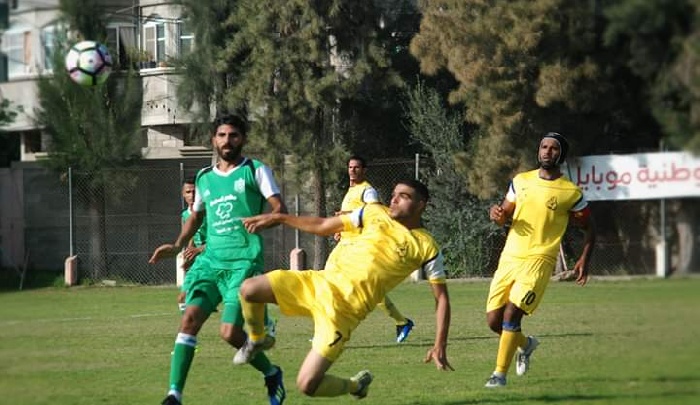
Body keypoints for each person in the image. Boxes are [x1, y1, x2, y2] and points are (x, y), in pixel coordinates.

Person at [233, 179, 453, 400]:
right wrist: (280, 217)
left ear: (421, 204)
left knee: (307, 384)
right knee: (249, 289)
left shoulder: (427, 247)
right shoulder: (372, 212)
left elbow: (441, 299)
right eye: (394, 193)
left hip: (342, 315)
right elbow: (323, 226)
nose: (394, 199)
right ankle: (258, 337)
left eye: (404, 196)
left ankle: (356, 386)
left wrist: (439, 345)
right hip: (318, 284)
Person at [149, 114, 288, 405]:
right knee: (188, 319)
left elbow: (280, 209)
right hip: (211, 263)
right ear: (214, 139)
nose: (227, 141)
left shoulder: (256, 171)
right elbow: (196, 217)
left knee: (229, 333)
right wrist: (177, 246)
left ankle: (271, 372)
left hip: (243, 263)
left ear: (243, 139)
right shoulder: (204, 178)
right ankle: (174, 394)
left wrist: (264, 220)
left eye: (234, 135)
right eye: (222, 135)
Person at [484, 132, 595, 388]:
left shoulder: (570, 192)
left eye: (553, 148)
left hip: (540, 259)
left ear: (561, 155)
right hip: (510, 255)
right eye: (544, 147)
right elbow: (505, 215)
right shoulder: (520, 181)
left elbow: (590, 227)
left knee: (512, 314)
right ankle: (526, 343)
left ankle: (499, 375)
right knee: (494, 322)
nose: (547, 151)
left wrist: (584, 260)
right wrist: (497, 215)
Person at [334, 155, 415, 343]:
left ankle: (401, 321)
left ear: (364, 170)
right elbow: (352, 220)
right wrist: (341, 229)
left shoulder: (367, 191)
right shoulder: (350, 191)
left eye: (356, 167)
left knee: (368, 289)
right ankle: (330, 330)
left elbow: (376, 212)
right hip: (345, 245)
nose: (352, 170)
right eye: (350, 167)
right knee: (332, 284)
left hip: (358, 246)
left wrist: (345, 215)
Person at [176, 179, 206, 312]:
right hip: (200, 256)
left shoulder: (209, 211)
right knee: (183, 297)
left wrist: (199, 250)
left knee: (240, 295)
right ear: (183, 194)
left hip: (215, 254)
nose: (192, 195)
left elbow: (219, 239)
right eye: (188, 192)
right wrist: (189, 254)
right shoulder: (185, 214)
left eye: (195, 191)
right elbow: (190, 235)